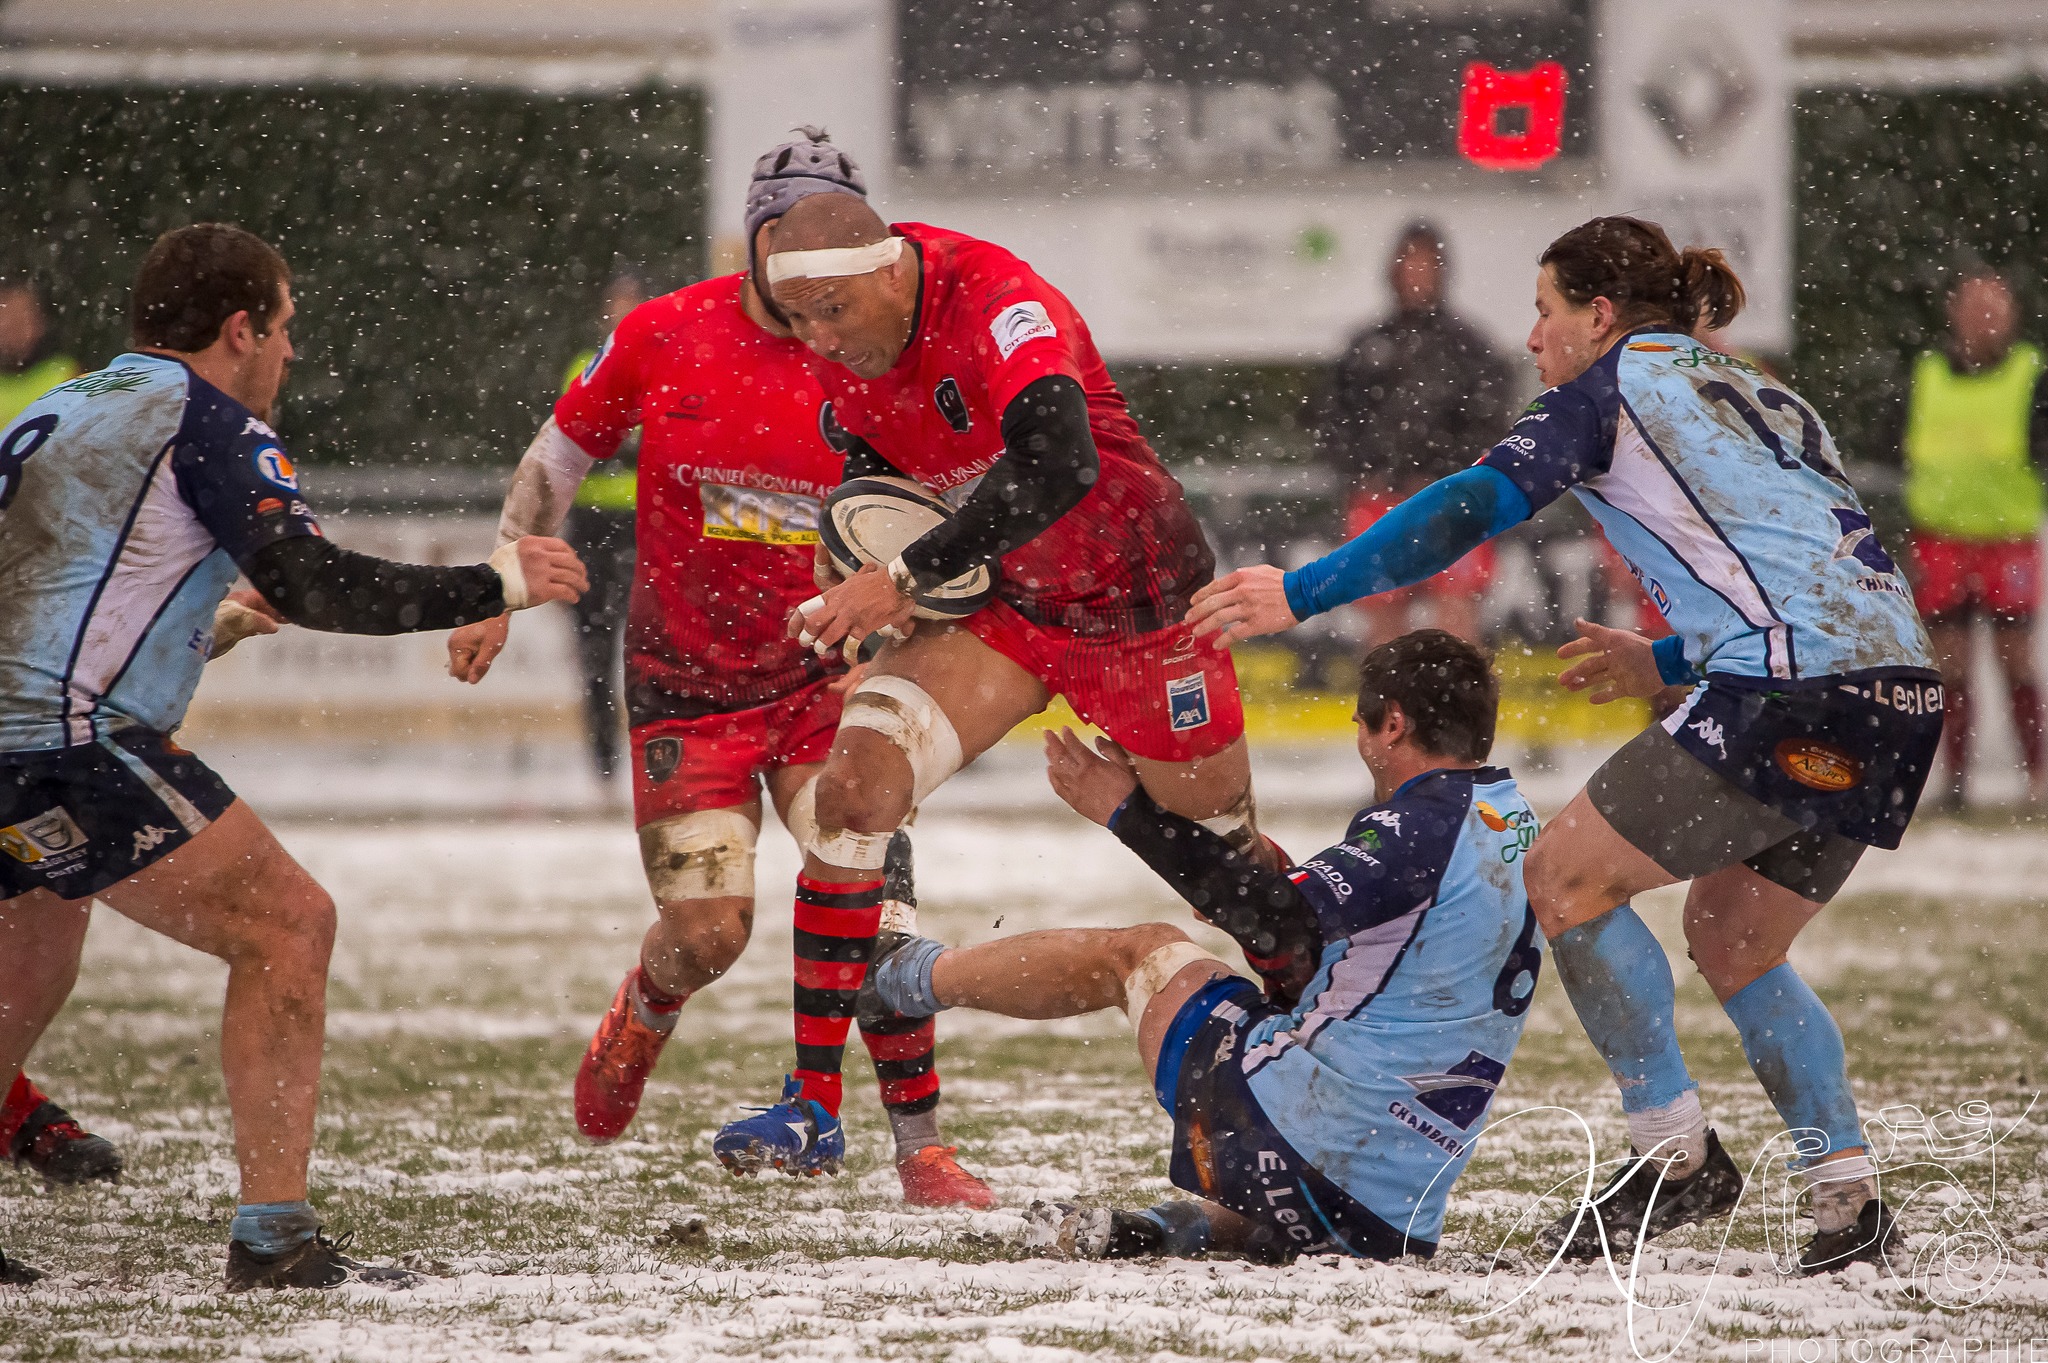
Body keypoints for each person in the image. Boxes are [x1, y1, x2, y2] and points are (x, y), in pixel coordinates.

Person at [1188, 216, 1941, 1274]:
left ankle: (1670, 1159)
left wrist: (1302, 590)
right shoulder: (1752, 385)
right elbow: (1805, 568)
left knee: (1562, 877)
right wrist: (1672, 660)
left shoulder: (1609, 390)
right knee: (1735, 943)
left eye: (1543, 311)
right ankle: (1845, 1198)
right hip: (1896, 692)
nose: (1530, 337)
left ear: (1597, 315)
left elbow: (1460, 509)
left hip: (1796, 692)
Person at [0, 223, 588, 1290]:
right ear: (241, 328)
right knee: (288, 925)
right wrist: (494, 582)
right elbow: (315, 582)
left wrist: (206, 625)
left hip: (15, 742)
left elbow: (56, 581)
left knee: (28, 960)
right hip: (63, 746)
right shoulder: (212, 423)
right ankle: (274, 1239)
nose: (290, 355)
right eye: (286, 329)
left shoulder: (60, 404)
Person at [445, 131, 993, 1209]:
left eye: (839, 258)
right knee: (710, 932)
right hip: (684, 688)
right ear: (758, 239)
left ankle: (918, 1150)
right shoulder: (659, 335)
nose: (814, 286)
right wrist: (499, 583)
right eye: (794, 251)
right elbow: (554, 460)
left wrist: (903, 623)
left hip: (818, 677)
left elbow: (944, 512)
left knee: (869, 886)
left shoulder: (877, 349)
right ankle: (647, 1005)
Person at [731, 191, 1273, 1173]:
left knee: (1223, 868)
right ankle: (810, 1105)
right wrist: (858, 571)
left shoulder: (994, 298)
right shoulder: (836, 355)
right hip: (1008, 613)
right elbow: (879, 484)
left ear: (889, 272)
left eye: (831, 314)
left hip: (1139, 613)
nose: (816, 338)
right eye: (798, 318)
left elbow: (1055, 463)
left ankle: (1317, 1023)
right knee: (853, 789)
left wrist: (895, 578)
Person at [862, 631, 1542, 1260]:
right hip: (1393, 1212)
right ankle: (1167, 1228)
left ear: (1392, 723)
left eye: (1363, 715)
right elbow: (1345, 935)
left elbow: (1275, 922)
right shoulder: (1507, 817)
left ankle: (902, 976)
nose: (1356, 730)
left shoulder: (1417, 826)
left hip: (1301, 1136)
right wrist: (1235, 871)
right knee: (1292, 1170)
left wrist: (1125, 812)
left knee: (1143, 953)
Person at [1315, 223, 1515, 646]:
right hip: (1380, 498)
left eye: (1426, 262)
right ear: (1394, 269)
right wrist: (1366, 473)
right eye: (1410, 261)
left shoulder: (1469, 347)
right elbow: (1335, 422)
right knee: (1382, 613)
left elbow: (1491, 424)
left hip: (1452, 497)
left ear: (1442, 270)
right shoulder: (1368, 344)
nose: (1417, 273)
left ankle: (1459, 708)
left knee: (1456, 612)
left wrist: (1444, 473)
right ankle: (1385, 708)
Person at [1897, 267, 2048, 807]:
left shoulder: (2032, 375)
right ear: (1954, 312)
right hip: (1941, 541)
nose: (1987, 320)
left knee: (2014, 660)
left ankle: (2036, 777)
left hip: (2006, 540)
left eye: (1997, 308)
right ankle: (1954, 783)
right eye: (1977, 306)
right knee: (1949, 666)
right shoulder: (1929, 374)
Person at [559, 271, 651, 788]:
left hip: (637, 525)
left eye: (631, 304)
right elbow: (574, 443)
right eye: (617, 303)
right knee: (595, 649)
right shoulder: (585, 366)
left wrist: (617, 449)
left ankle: (644, 754)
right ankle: (604, 761)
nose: (623, 312)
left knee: (641, 646)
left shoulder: (659, 369)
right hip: (593, 525)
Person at [0, 279, 81, 429]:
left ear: (39, 323)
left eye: (21, 321)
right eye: (7, 320)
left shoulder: (64, 373)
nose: (13, 330)